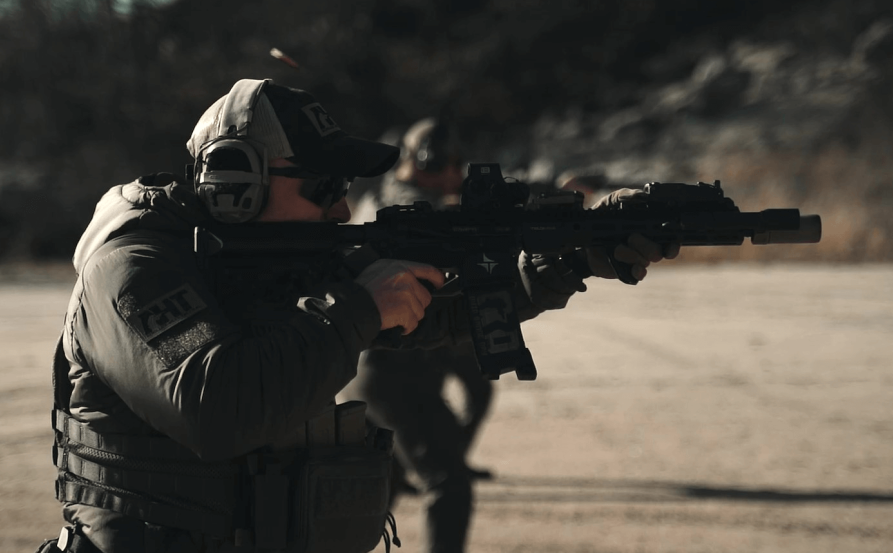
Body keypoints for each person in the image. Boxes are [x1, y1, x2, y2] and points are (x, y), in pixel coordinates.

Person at [40, 78, 678, 553]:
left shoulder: (277, 258)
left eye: (344, 189)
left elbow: (431, 313)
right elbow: (216, 406)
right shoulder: (133, 267)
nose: (342, 210)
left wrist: (570, 260)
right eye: (323, 188)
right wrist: (358, 306)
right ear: (237, 182)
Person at [341, 117, 496, 553]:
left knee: (385, 483)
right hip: (395, 369)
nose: (459, 173)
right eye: (456, 163)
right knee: (449, 483)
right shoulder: (419, 215)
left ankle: (428, 458)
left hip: (369, 365)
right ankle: (438, 459)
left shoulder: (386, 199)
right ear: (432, 160)